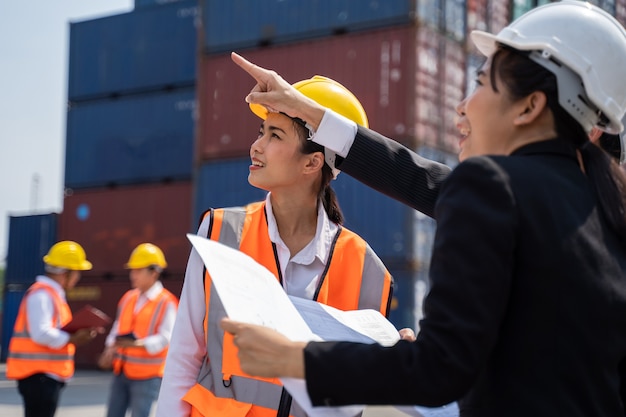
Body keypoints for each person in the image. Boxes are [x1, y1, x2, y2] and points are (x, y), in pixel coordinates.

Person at [222, 2, 626, 416]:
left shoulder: (493, 186)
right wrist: (306, 109)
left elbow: (439, 371)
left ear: (530, 106)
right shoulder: (607, 209)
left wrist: (293, 358)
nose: (463, 106)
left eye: (483, 82)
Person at [155, 76, 394, 417]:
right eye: (260, 132)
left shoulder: (368, 269)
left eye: (275, 135)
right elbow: (184, 353)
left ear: (313, 162)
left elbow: (359, 393)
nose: (257, 146)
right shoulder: (220, 232)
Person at [5, 240, 98, 417]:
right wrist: (73, 339)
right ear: (65, 273)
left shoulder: (51, 295)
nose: (78, 277)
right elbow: (40, 333)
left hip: (44, 376)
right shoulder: (42, 295)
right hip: (39, 377)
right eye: (76, 272)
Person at [98, 243, 178, 417]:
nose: (132, 275)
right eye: (132, 270)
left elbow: (166, 338)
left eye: (138, 270)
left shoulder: (167, 302)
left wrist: (138, 345)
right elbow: (117, 327)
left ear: (154, 272)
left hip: (147, 376)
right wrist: (109, 348)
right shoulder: (128, 297)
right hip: (121, 370)